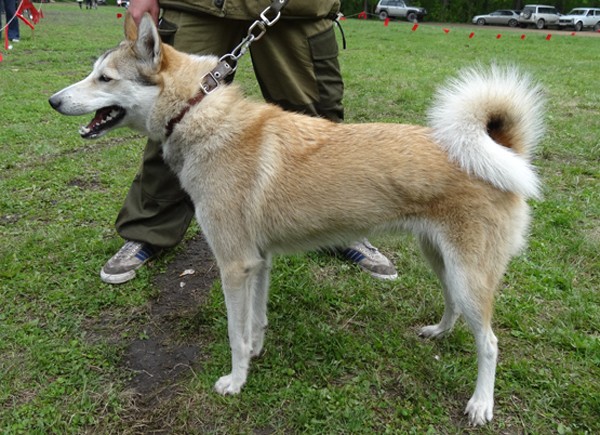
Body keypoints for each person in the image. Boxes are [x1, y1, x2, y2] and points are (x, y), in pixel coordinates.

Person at [101, 0, 398, 284]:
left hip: (296, 7)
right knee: (171, 112)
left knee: (318, 121)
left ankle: (341, 225)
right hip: (198, 5)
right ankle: (148, 229)